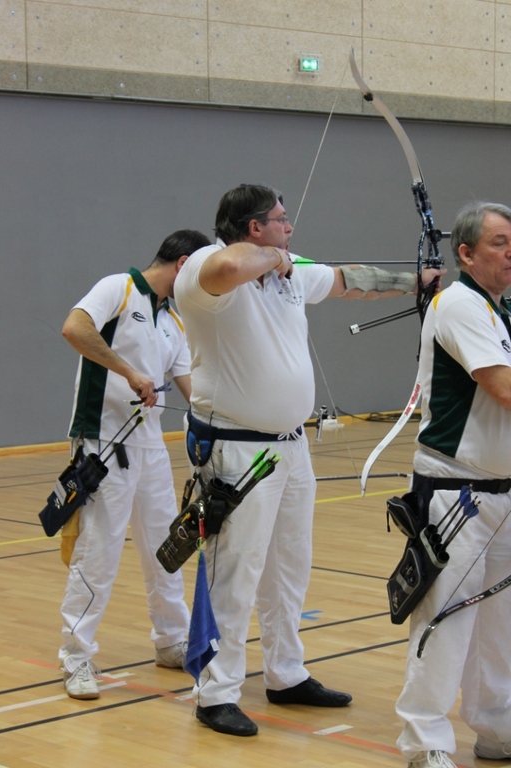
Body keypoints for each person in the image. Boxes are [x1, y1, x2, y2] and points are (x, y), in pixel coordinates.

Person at [173, 182, 445, 737]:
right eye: (280, 219)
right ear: (254, 228)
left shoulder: (287, 269)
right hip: (238, 449)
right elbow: (231, 268)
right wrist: (277, 259)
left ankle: (286, 673)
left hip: (291, 446)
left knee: (289, 566)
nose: (289, 226)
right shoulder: (203, 267)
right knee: (236, 569)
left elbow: (347, 280)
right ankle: (215, 692)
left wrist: (414, 282)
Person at [58, 228, 211, 699]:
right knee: (98, 552)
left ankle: (170, 639)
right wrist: (128, 372)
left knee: (166, 548)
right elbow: (74, 329)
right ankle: (76, 657)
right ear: (183, 265)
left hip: (151, 449)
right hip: (103, 445)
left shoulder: (175, 321)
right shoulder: (118, 289)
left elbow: (193, 391)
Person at [395, 202, 511, 768]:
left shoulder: (500, 309)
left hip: (502, 490)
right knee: (446, 617)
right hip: (457, 493)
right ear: (465, 253)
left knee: (500, 624)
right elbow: (502, 387)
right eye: (499, 242)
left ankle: (497, 728)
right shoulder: (460, 304)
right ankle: (426, 741)